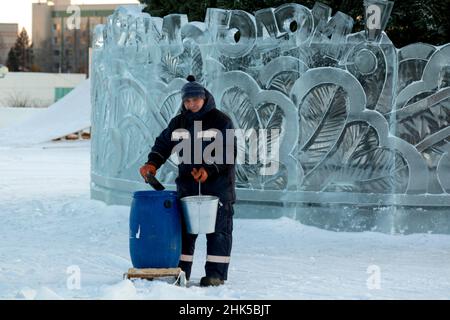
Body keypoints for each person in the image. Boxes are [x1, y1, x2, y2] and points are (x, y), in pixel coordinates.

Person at [139, 75, 236, 287]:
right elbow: (163, 145)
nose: (191, 104)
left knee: (218, 232)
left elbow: (229, 152)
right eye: (187, 101)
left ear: (205, 98)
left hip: (218, 189)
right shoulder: (179, 122)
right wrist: (152, 163)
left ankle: (215, 276)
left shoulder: (221, 121)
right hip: (188, 187)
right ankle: (181, 273)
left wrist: (209, 170)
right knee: (184, 233)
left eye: (195, 100)